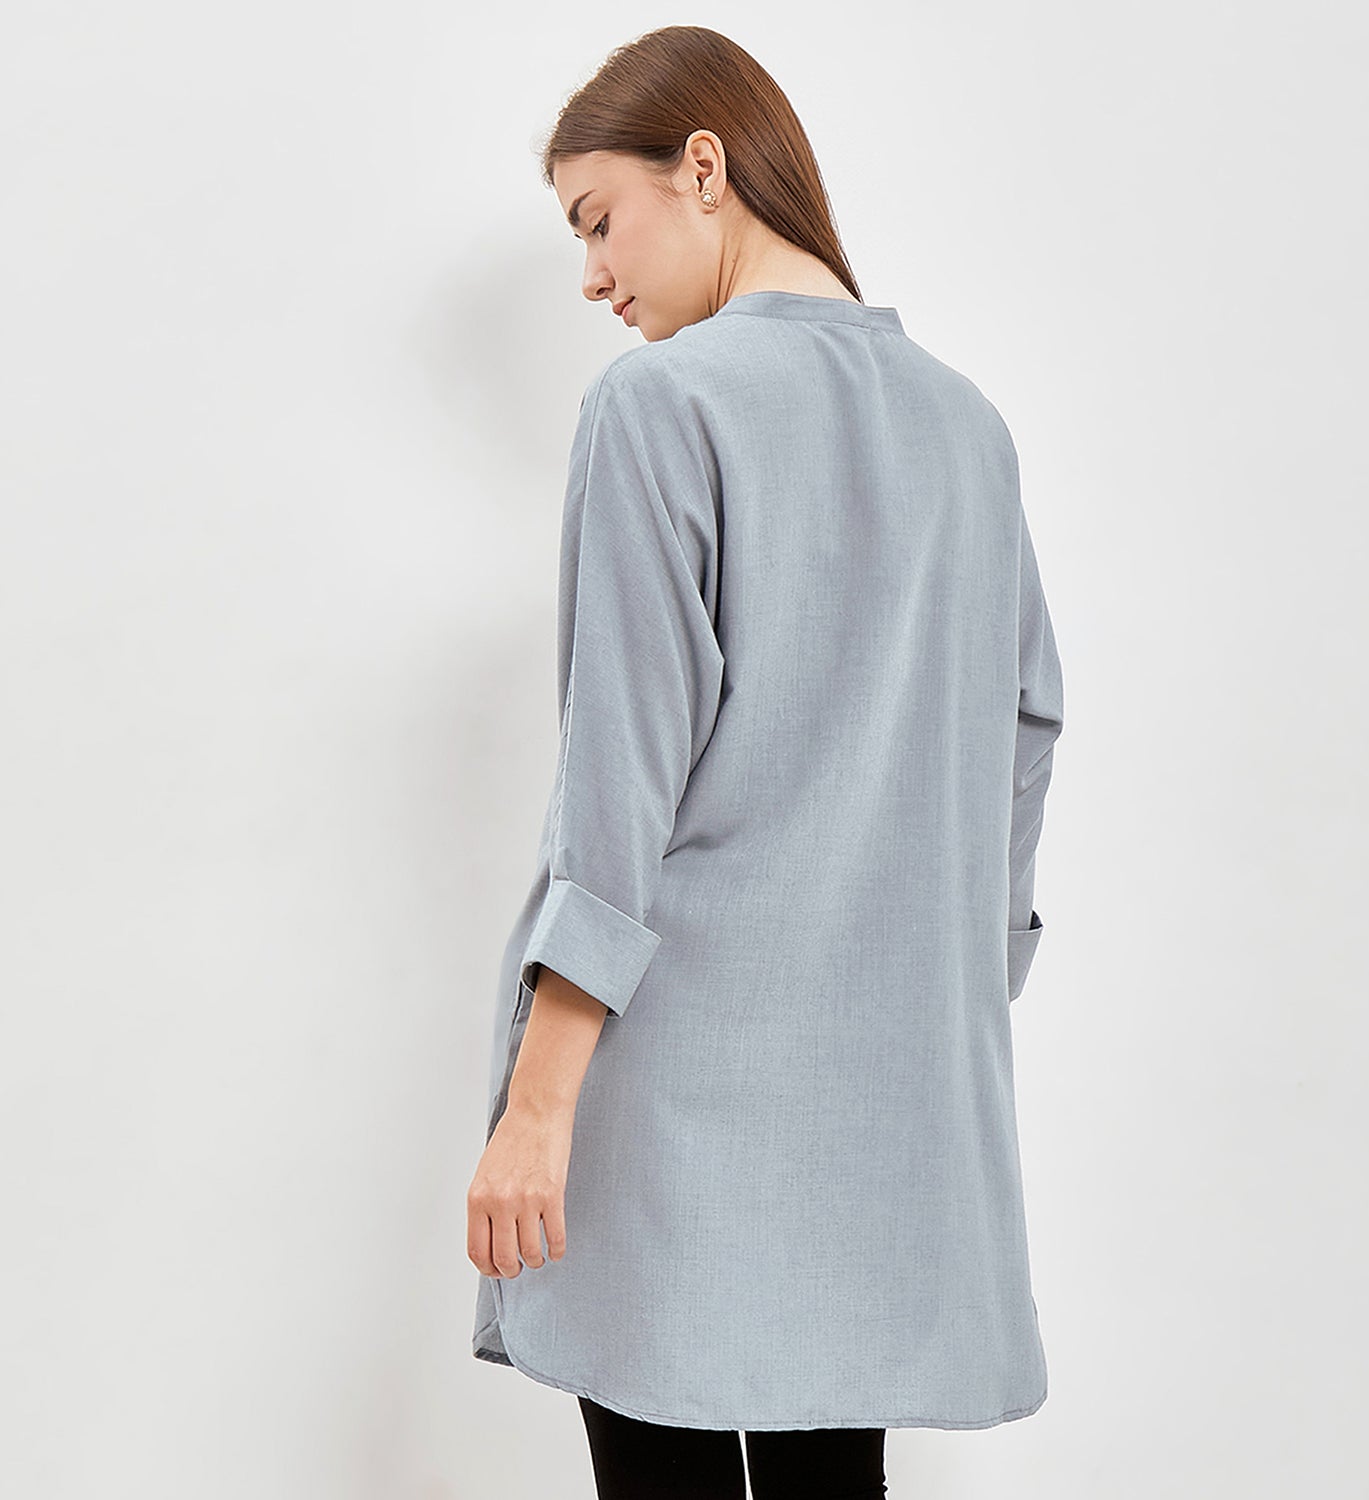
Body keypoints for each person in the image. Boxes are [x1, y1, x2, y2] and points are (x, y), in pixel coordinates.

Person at [466, 24, 1065, 1500]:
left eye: (597, 220)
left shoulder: (660, 407)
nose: (592, 276)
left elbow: (620, 787)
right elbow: (1026, 734)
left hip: (666, 1091)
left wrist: (534, 1111)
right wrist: (951, 983)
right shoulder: (969, 431)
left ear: (705, 167)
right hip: (876, 1111)